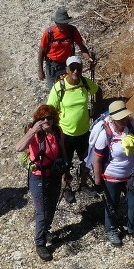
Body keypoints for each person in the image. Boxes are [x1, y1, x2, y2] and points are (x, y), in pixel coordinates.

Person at [15, 104, 68, 261]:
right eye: (42, 118)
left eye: (49, 118)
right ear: (37, 120)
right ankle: (40, 243)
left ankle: (46, 230)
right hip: (38, 177)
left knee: (51, 206)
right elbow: (18, 148)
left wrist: (67, 173)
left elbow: (63, 150)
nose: (47, 121)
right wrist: (33, 131)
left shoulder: (57, 131)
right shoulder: (34, 134)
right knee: (41, 211)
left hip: (54, 174)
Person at [46, 54, 101, 202]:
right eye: (73, 68)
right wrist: (53, 130)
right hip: (66, 134)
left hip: (84, 133)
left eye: (79, 68)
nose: (76, 71)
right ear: (67, 69)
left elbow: (98, 91)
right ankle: (67, 188)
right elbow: (50, 110)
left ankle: (83, 184)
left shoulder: (85, 83)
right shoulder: (59, 87)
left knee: (87, 160)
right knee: (66, 162)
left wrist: (97, 111)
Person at [90, 99, 134, 247]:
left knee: (133, 202)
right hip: (111, 177)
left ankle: (132, 228)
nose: (125, 119)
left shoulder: (131, 126)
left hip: (131, 175)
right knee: (112, 204)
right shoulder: (105, 134)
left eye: (125, 116)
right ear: (114, 119)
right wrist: (98, 181)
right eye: (121, 118)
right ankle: (111, 229)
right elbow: (97, 160)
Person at [37, 8, 93, 86]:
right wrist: (40, 70)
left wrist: (88, 57)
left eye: (65, 23)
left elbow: (81, 45)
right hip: (53, 66)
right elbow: (41, 51)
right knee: (54, 89)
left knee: (69, 86)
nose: (64, 25)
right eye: (61, 23)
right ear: (56, 22)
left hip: (69, 64)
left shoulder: (72, 30)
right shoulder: (49, 33)